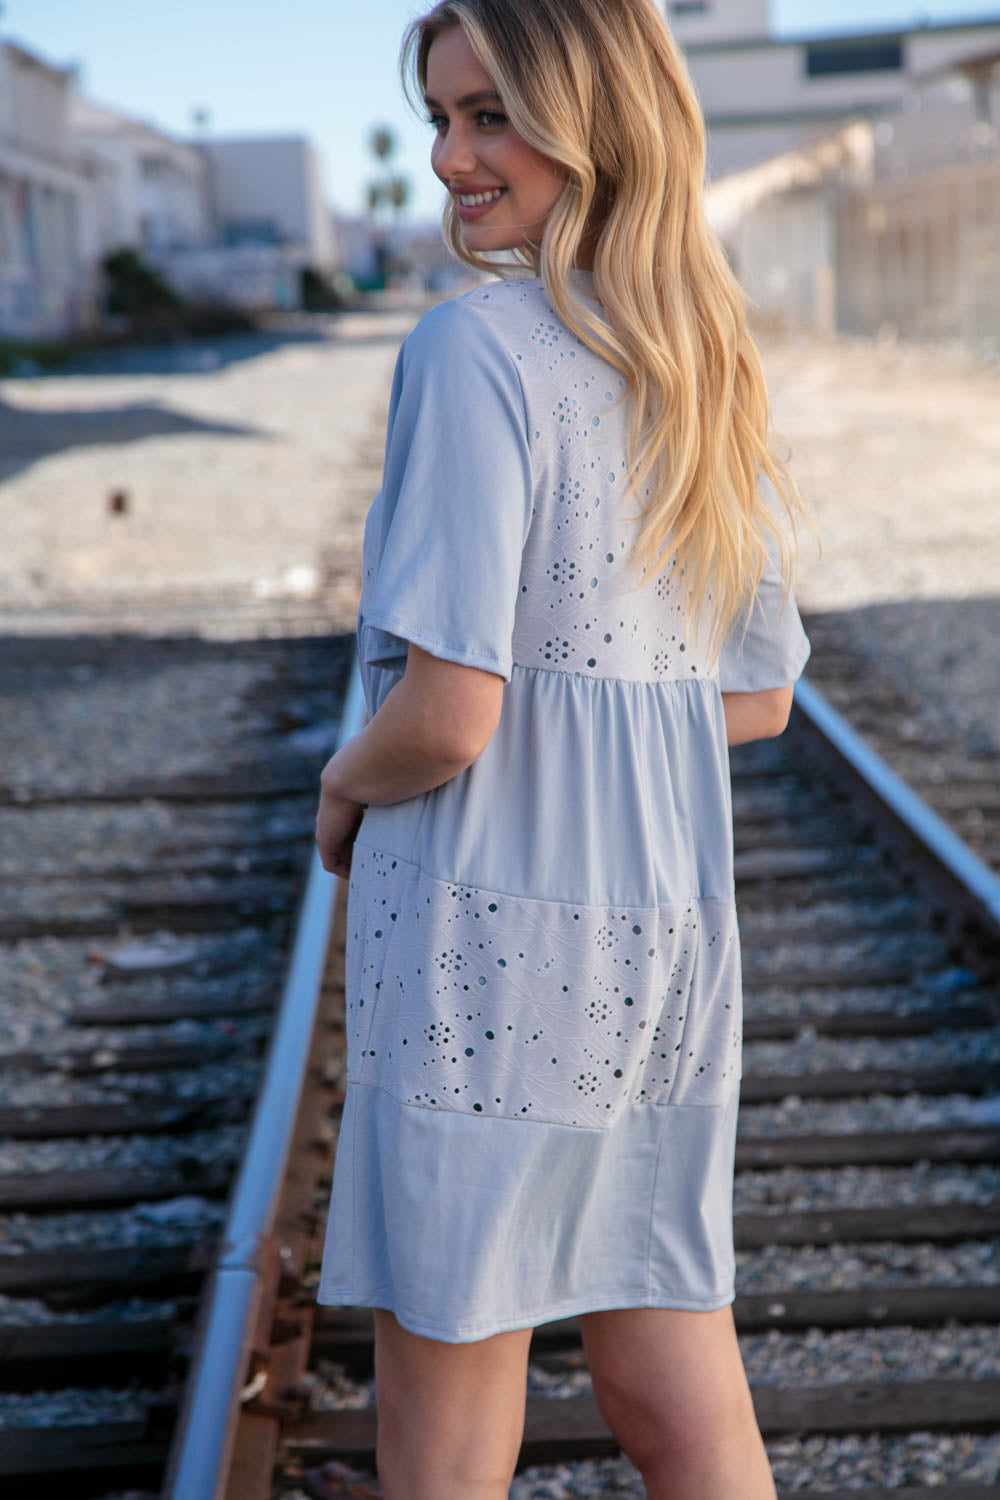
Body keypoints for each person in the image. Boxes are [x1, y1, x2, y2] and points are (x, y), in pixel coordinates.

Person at [314, 1, 813, 1496]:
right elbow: (755, 696)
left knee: (448, 1414)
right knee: (676, 1377)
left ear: (590, 118)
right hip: (661, 935)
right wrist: (595, 724)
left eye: (490, 116)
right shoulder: (692, 357)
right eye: (444, 117)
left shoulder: (478, 352)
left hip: (485, 948)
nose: (453, 156)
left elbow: (449, 714)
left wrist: (345, 785)